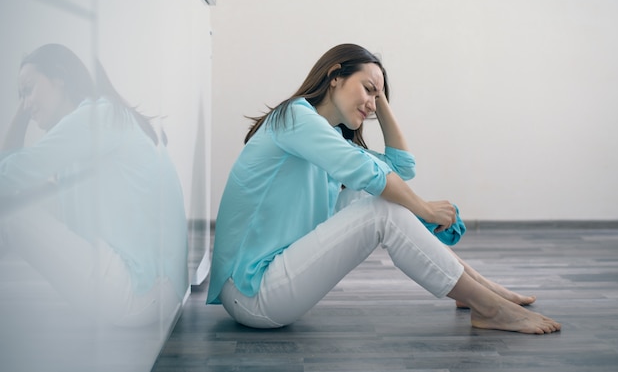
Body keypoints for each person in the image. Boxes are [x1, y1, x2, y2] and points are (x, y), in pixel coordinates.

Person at [207, 43, 561, 335]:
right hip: (250, 293)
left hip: (269, 283)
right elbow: (370, 174)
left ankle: (479, 291)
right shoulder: (295, 118)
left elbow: (402, 167)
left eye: (378, 97)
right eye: (366, 89)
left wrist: (379, 96)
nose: (372, 104)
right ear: (334, 76)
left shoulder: (328, 137)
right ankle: (488, 306)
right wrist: (426, 210)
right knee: (380, 205)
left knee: (377, 197)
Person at [0, 43, 188, 327]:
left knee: (12, 211)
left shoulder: (95, 118)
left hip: (143, 294)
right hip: (156, 292)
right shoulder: (98, 120)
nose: (25, 104)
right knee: (27, 197)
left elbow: (8, 176)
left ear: (59, 79)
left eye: (28, 89)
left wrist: (20, 114)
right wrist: (28, 101)